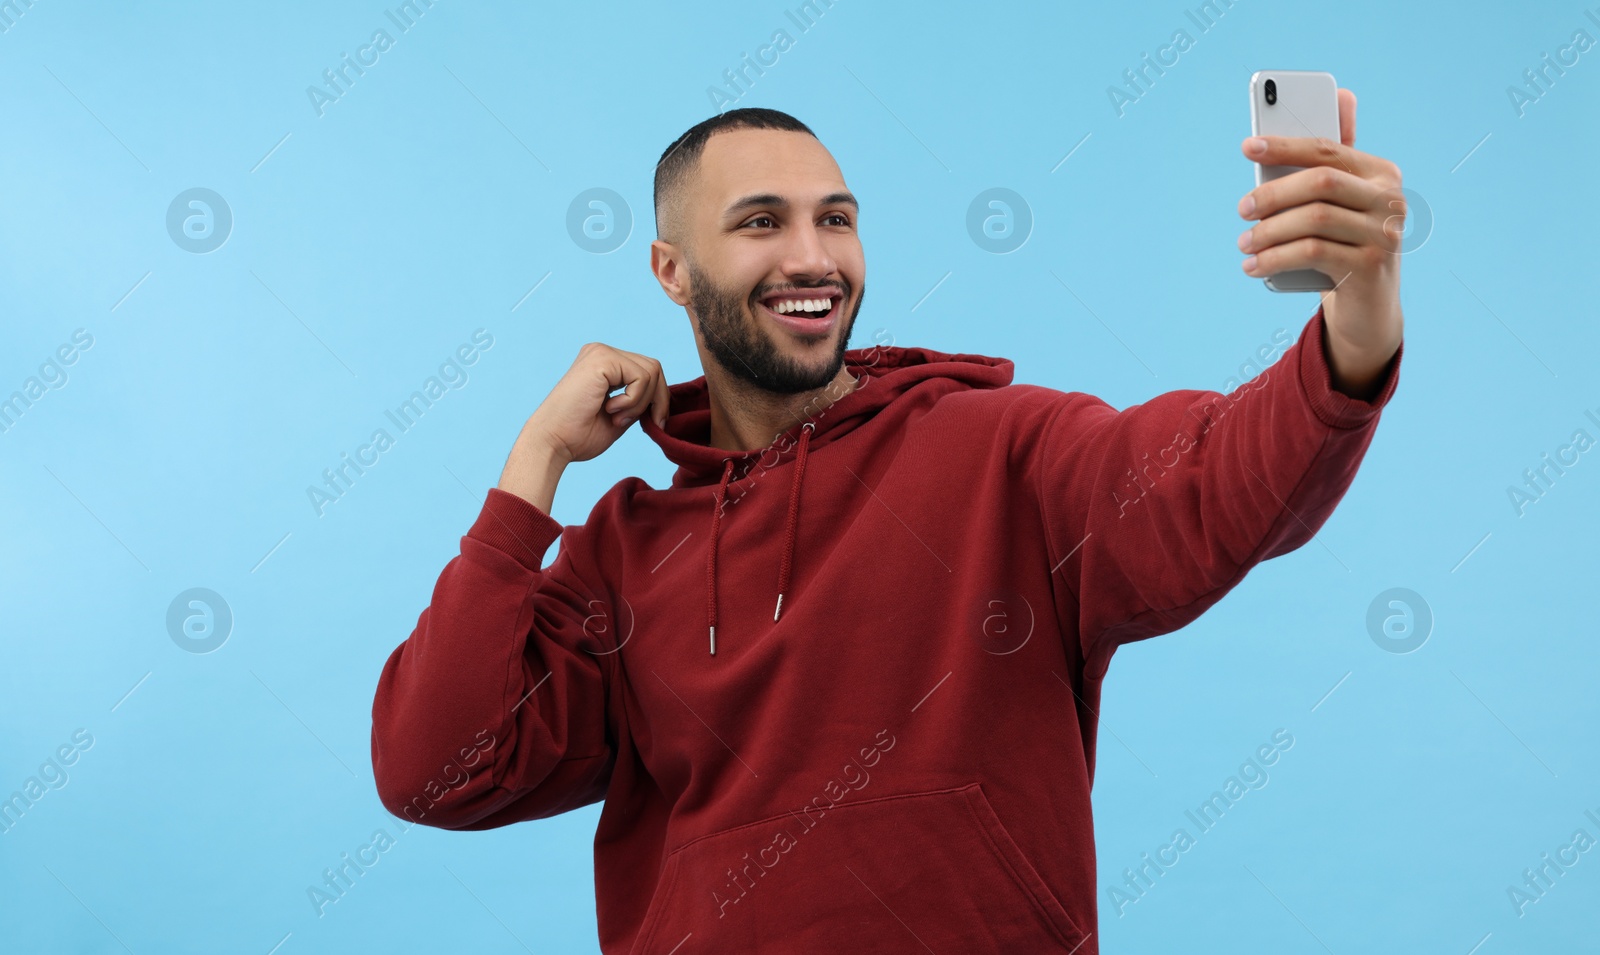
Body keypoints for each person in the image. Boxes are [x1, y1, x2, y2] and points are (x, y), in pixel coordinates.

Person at [370, 103, 1404, 953]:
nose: (814, 257)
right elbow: (436, 767)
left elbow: (1212, 478)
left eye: (838, 219)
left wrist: (1354, 323)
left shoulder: (1005, 450)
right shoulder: (624, 550)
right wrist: (532, 469)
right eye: (761, 222)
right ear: (670, 270)